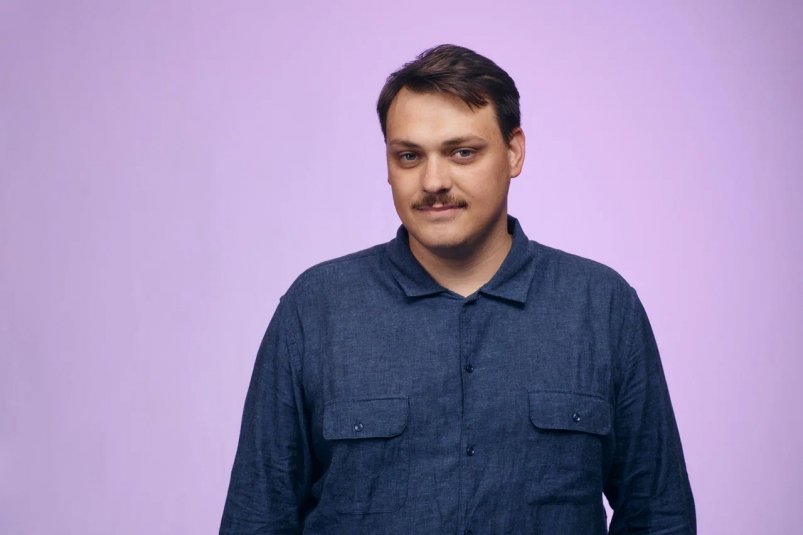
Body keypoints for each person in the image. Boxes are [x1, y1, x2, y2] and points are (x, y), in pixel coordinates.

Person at [219, 44, 696, 534]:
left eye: (462, 152)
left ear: (514, 152)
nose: (433, 181)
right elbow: (256, 518)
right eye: (409, 156)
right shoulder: (316, 308)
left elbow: (659, 517)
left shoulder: (602, 306)